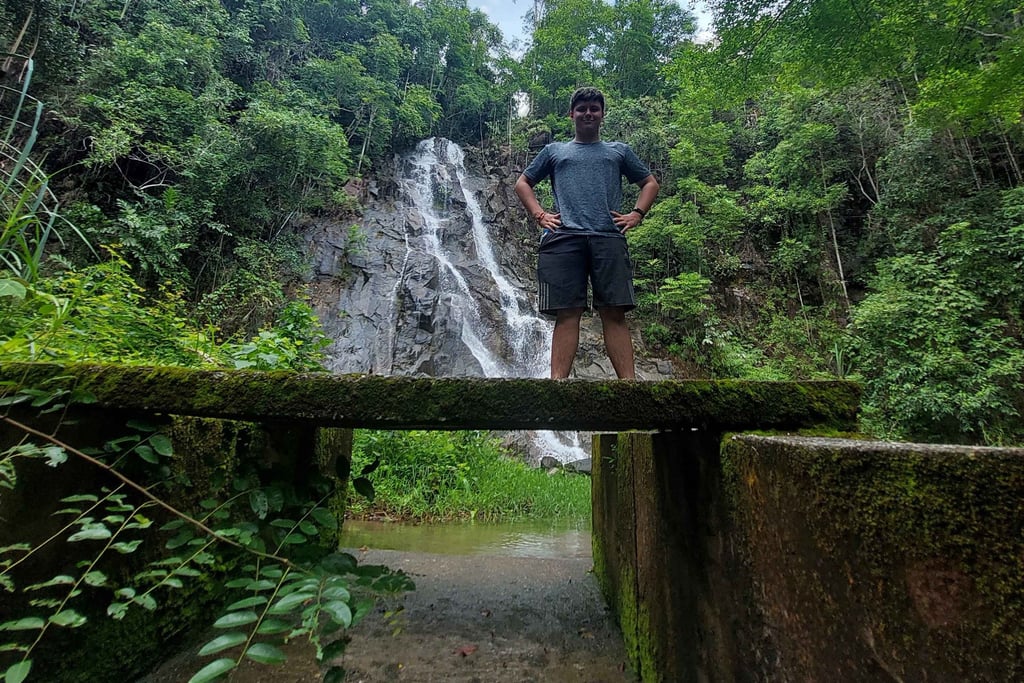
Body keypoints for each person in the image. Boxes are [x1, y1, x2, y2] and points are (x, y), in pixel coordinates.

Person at [514, 86, 660, 379]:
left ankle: (629, 387)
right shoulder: (554, 151)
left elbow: (650, 183)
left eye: (594, 108)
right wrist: (540, 214)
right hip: (564, 238)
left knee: (614, 312)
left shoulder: (619, 151)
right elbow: (522, 183)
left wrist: (637, 214)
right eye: (582, 109)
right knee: (567, 312)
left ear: (603, 114)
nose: (588, 113)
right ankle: (557, 385)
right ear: (572, 114)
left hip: (608, 237)